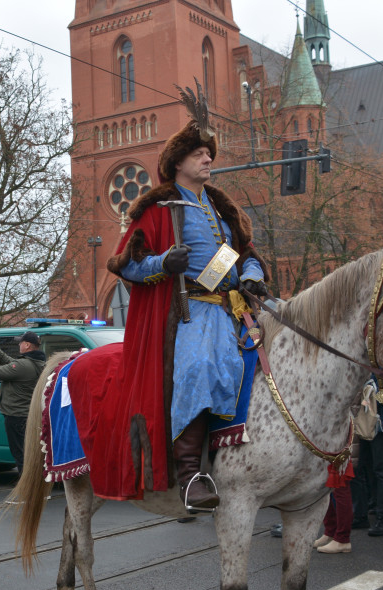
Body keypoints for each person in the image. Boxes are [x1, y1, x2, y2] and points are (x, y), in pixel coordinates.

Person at [105, 83, 269, 510]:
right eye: (199, 154)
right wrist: (163, 263)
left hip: (232, 307)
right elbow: (126, 263)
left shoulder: (221, 209)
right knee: (200, 367)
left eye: (209, 154)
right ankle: (191, 474)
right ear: (177, 163)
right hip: (189, 311)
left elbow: (244, 254)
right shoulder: (159, 208)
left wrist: (250, 276)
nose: (208, 159)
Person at [0, 331, 46, 474]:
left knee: (21, 455)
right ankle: (35, 490)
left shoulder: (24, 365)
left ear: (27, 345)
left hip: (16, 417)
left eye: (21, 342)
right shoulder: (38, 362)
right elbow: (15, 365)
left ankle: (28, 491)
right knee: (29, 454)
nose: (19, 344)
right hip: (27, 415)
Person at [353, 378, 383, 537]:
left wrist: (367, 393)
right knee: (361, 469)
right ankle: (361, 513)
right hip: (363, 424)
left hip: (381, 426)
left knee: (382, 471)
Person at [315, 455, 356, 554]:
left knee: (340, 487)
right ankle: (330, 532)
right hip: (330, 446)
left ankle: (342, 539)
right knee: (327, 487)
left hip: (338, 448)